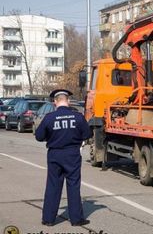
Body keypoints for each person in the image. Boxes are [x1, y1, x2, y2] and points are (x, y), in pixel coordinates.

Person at [35, 89, 92, 227]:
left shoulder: (49, 117)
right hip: (72, 154)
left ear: (55, 102)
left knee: (53, 185)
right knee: (73, 185)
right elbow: (87, 134)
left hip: (54, 154)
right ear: (68, 100)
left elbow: (39, 136)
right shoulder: (77, 117)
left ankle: (48, 219)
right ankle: (76, 219)